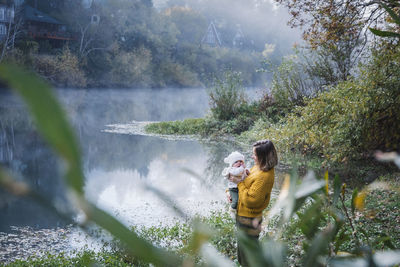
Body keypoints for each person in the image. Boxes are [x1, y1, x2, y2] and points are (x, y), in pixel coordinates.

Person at [227, 139, 278, 267]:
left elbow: (251, 200)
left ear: (263, 156)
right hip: (244, 215)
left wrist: (239, 184)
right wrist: (229, 191)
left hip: (249, 219)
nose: (252, 157)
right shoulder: (258, 167)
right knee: (243, 252)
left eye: (254, 155)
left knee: (248, 255)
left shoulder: (264, 176)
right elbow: (244, 180)